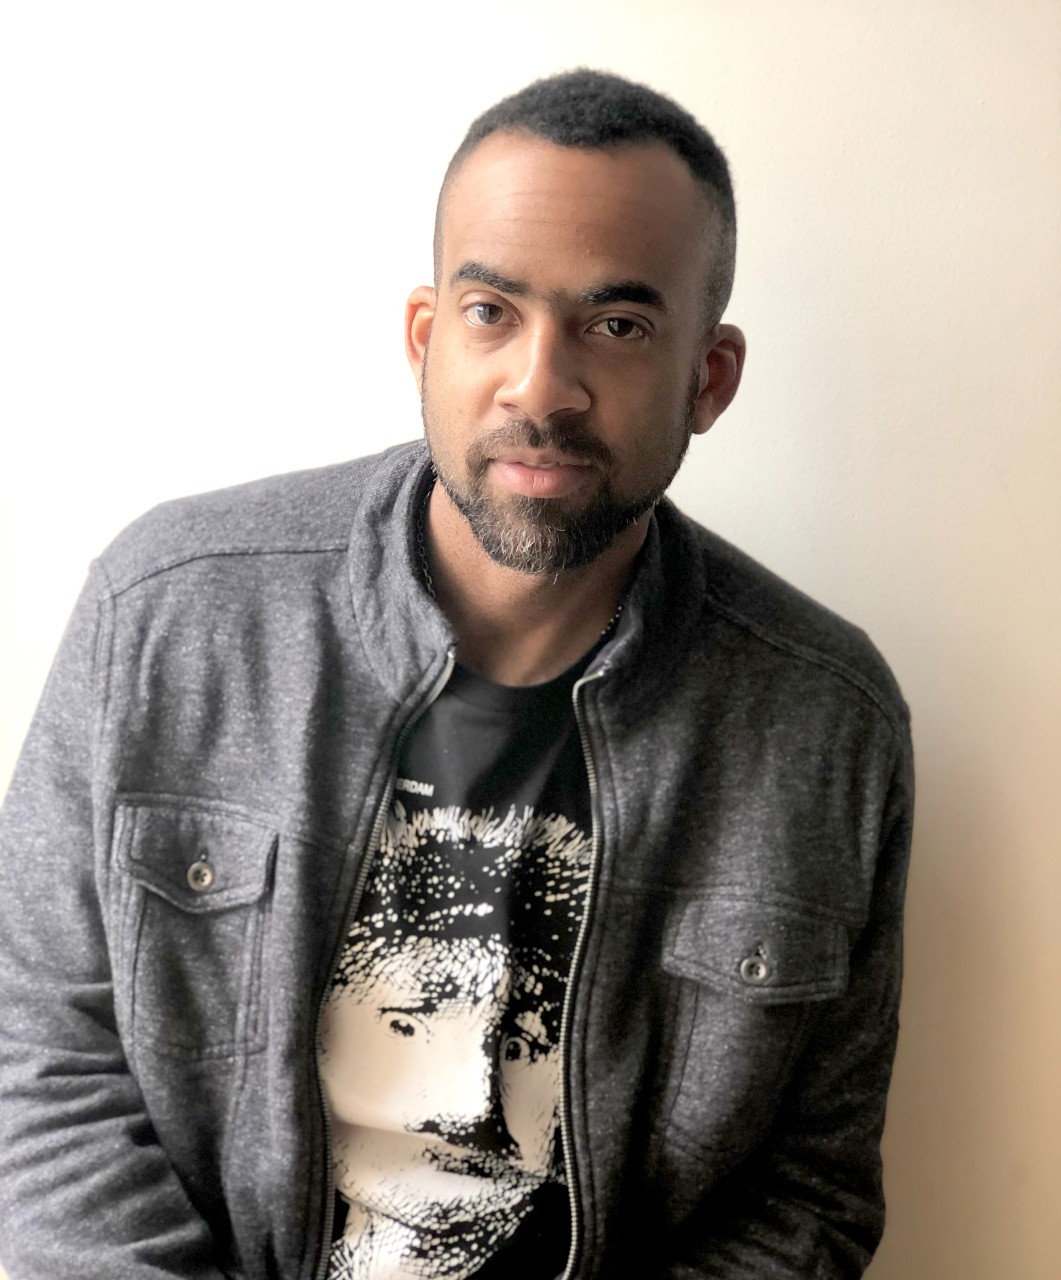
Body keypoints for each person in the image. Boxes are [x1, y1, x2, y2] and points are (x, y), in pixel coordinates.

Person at [0, 69, 913, 1280]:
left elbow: (807, 1189)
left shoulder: (825, 724)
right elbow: (39, 1067)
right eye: (492, 312)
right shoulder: (167, 614)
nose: (541, 386)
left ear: (710, 375)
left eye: (618, 324)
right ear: (426, 336)